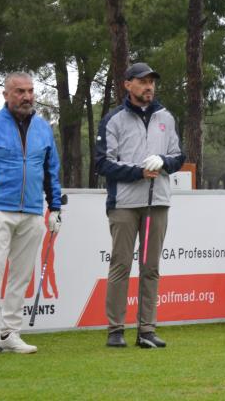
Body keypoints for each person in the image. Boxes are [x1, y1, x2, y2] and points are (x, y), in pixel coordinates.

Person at [0, 71, 63, 357]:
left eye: (30, 91)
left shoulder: (43, 129)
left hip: (32, 210)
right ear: (6, 95)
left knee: (22, 274)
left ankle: (9, 333)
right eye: (20, 91)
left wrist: (55, 207)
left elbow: (51, 170)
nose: (27, 96)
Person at [95, 62, 186, 349]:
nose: (149, 86)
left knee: (150, 268)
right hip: (124, 204)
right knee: (121, 265)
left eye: (152, 82)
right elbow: (102, 163)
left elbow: (178, 156)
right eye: (143, 81)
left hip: (156, 203)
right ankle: (115, 330)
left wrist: (164, 161)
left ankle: (146, 329)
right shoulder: (114, 119)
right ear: (128, 84)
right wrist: (138, 171)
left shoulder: (166, 117)